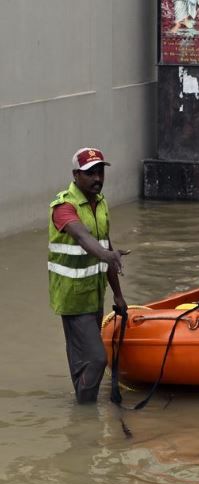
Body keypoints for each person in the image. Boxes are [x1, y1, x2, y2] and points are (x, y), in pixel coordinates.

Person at [48, 148, 129, 404]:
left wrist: (117, 293)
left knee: (83, 359)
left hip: (94, 293)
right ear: (76, 175)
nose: (97, 178)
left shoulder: (100, 203)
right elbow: (83, 238)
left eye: (100, 171)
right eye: (90, 173)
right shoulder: (63, 206)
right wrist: (107, 255)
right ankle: (84, 410)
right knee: (96, 358)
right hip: (72, 296)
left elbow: (105, 245)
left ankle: (84, 415)